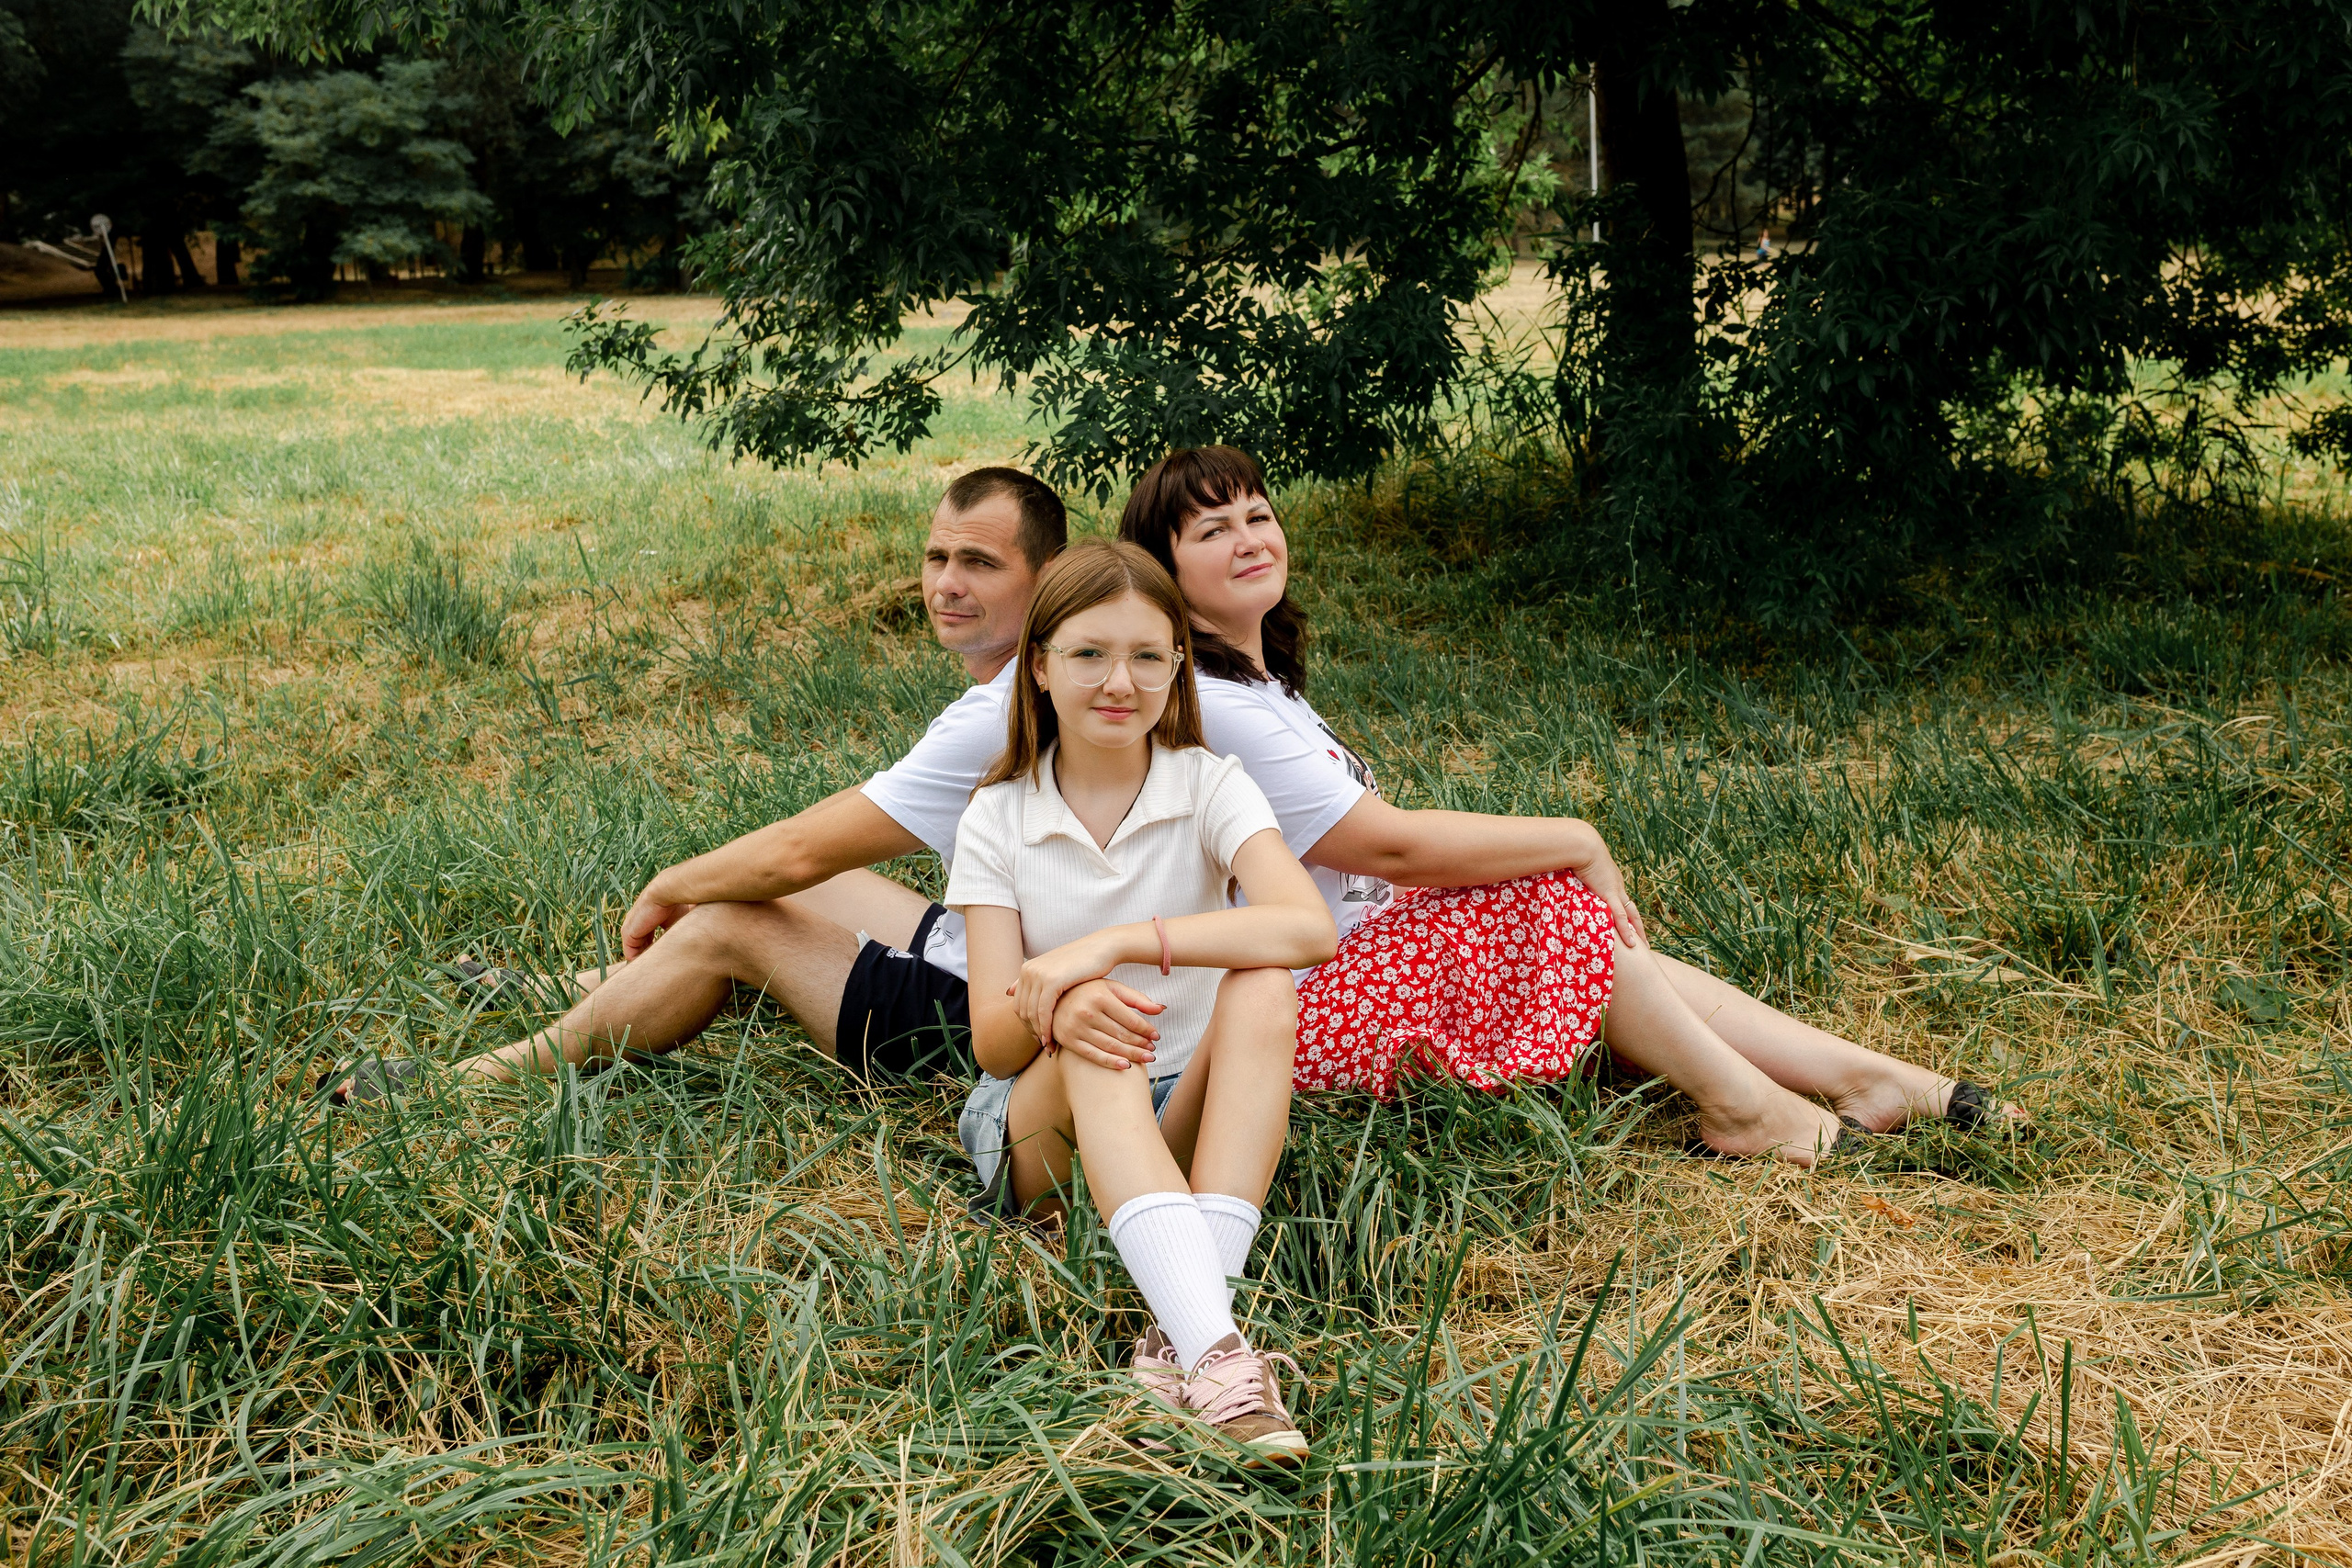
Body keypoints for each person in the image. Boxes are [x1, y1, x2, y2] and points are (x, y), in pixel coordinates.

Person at [1115, 445, 2028, 1167]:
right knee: (1548, 896)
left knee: (1572, 927)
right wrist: (1577, 838)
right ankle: (1755, 1110)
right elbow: (1385, 848)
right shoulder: (1218, 705)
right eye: (1210, 531)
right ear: (1161, 571)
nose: (1248, 539)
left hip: (1348, 971)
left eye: (1258, 515)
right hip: (1281, 1018)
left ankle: (1872, 1080)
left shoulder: (1260, 687)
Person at [318, 467, 1066, 1103]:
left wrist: (672, 886)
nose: (946, 583)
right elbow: (827, 841)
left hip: (992, 1027)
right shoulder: (1039, 679)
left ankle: (466, 1081)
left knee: (728, 921)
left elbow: (797, 852)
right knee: (798, 890)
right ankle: (565, 984)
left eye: (980, 562)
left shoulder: (1003, 711)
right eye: (937, 556)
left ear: (1049, 577)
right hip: (1000, 957)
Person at [950, 538, 1332, 1462]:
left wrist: (1115, 944)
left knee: (1262, 981)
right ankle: (1218, 1354)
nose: (1118, 681)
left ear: (1176, 668)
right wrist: (1067, 1002)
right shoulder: (998, 814)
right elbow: (996, 1045)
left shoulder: (1208, 784)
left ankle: (1180, 1335)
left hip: (1186, 1110)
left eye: (1147, 656)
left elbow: (1305, 927)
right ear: (1037, 668)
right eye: (1087, 654)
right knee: (1094, 1032)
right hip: (1045, 1128)